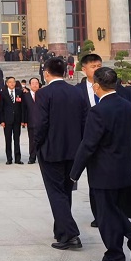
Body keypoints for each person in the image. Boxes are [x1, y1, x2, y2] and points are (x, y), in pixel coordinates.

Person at [70, 67, 131, 261]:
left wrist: (74, 173)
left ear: (96, 86)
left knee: (106, 214)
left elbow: (88, 145)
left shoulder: (98, 111)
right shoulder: (128, 107)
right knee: (115, 210)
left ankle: (115, 257)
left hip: (104, 173)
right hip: (124, 170)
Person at [35, 58, 87, 250]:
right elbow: (84, 121)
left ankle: (71, 234)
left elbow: (41, 123)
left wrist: (36, 145)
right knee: (65, 192)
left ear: (46, 73)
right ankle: (62, 232)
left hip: (51, 150)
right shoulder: (77, 92)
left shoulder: (43, 93)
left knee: (56, 193)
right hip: (74, 151)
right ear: (65, 72)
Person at [77, 53, 104, 227]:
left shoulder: (112, 87)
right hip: (88, 142)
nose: (97, 69)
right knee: (93, 181)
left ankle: (112, 211)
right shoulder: (76, 91)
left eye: (99, 66)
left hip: (109, 143)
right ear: (84, 69)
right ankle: (98, 215)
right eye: (93, 67)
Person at [0, 77, 24, 165]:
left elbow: (22, 107)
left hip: (17, 120)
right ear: (7, 83)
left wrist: (22, 120)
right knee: (8, 140)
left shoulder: (20, 92)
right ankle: (9, 158)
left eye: (13, 82)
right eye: (10, 82)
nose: (12, 83)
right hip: (7, 120)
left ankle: (18, 158)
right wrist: (2, 120)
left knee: (17, 139)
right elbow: (1, 108)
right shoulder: (3, 93)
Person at [22, 77, 40, 164]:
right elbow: (24, 109)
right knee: (32, 140)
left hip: (42, 122)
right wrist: (24, 121)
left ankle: (41, 157)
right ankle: (32, 157)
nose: (35, 85)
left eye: (36, 83)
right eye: (33, 83)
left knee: (42, 140)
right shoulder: (26, 96)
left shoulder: (43, 94)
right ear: (30, 85)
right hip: (31, 121)